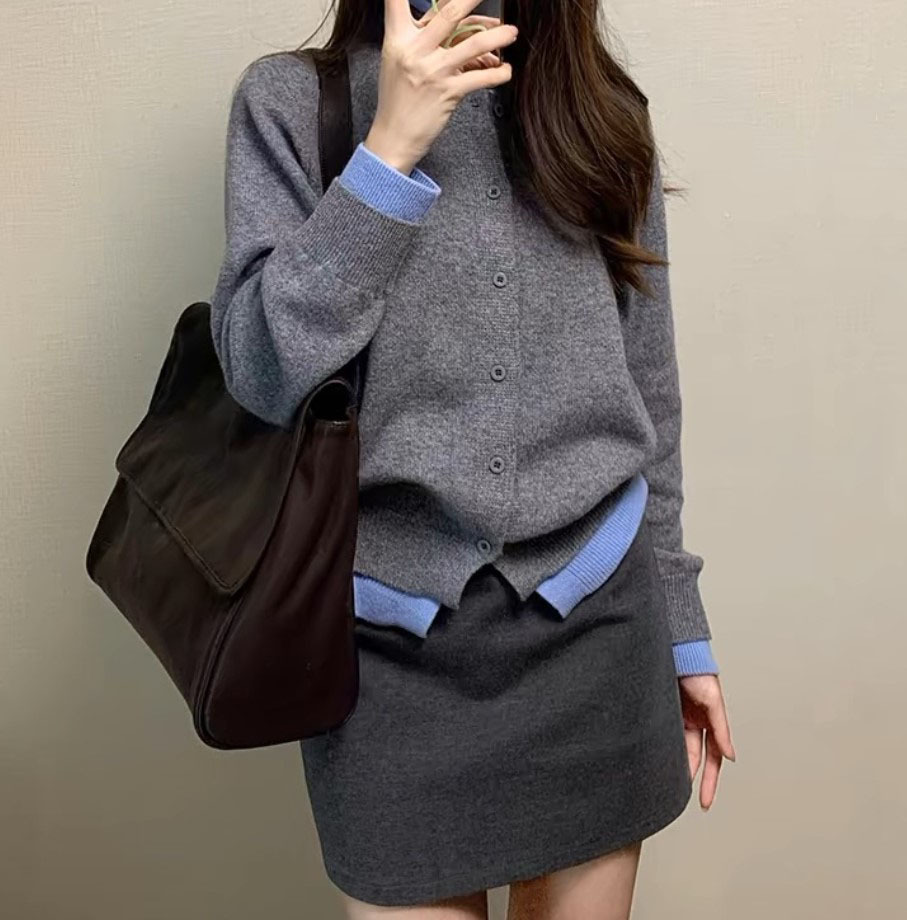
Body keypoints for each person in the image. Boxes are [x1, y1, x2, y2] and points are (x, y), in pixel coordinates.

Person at [209, 1, 736, 917]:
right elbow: (262, 372)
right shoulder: (289, 104)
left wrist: (682, 624)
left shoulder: (602, 110)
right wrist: (387, 155)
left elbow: (649, 391)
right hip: (381, 659)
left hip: (598, 637)